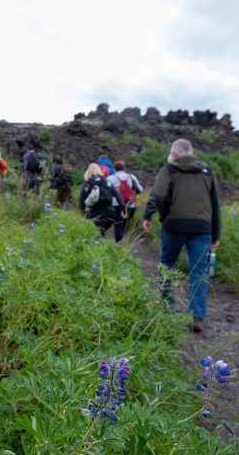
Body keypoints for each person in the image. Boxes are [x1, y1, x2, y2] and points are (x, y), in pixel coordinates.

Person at [142, 138, 221, 333]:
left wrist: (163, 215)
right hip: (202, 228)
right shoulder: (208, 172)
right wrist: (216, 232)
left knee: (167, 264)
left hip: (174, 225)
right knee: (199, 271)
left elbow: (158, 195)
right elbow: (215, 205)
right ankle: (196, 316)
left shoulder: (169, 170)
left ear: (174, 154)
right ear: (191, 152)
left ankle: (167, 307)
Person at [79, 163, 125, 237]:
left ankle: (103, 247)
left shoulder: (88, 183)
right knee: (100, 233)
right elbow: (119, 197)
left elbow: (81, 202)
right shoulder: (108, 182)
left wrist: (84, 214)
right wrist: (124, 210)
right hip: (111, 214)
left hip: (96, 214)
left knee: (99, 235)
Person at [108, 160, 144, 242]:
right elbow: (140, 190)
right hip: (130, 205)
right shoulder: (132, 177)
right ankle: (124, 240)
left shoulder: (110, 178)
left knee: (118, 224)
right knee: (125, 223)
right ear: (124, 168)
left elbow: (106, 192)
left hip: (116, 205)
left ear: (114, 169)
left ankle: (118, 244)